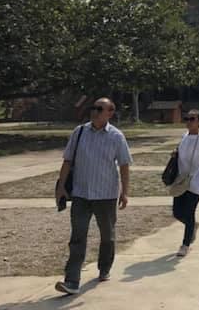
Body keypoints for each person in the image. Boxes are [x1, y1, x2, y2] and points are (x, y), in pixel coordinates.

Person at [54, 97, 132, 296]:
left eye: (99, 109)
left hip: (106, 195)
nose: (95, 112)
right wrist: (61, 186)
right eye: (93, 108)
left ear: (110, 113)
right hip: (81, 194)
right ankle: (72, 281)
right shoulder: (79, 132)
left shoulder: (116, 136)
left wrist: (124, 192)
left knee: (107, 236)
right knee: (77, 237)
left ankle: (104, 267)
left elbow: (124, 165)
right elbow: (67, 160)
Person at [172, 109, 199, 257]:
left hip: (196, 180)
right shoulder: (184, 137)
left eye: (192, 119)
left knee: (189, 212)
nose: (189, 122)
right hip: (181, 180)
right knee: (177, 212)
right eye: (187, 119)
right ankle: (193, 226)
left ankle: (185, 244)